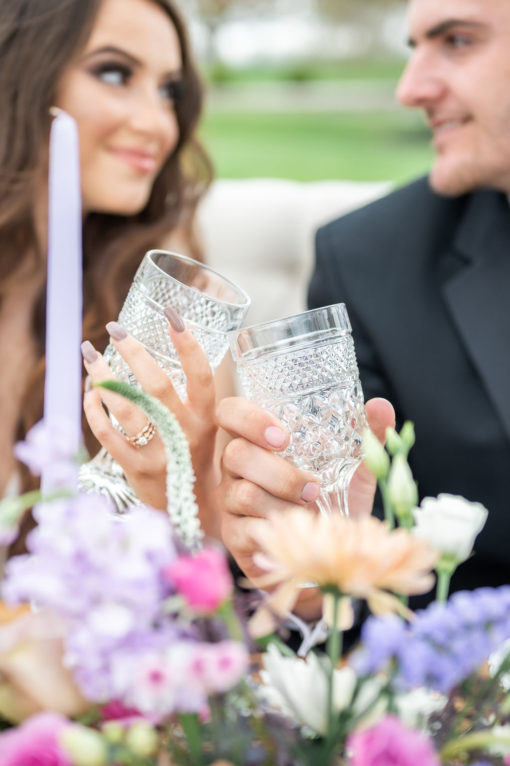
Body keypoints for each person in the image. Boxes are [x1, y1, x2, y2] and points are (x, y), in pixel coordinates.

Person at [217, 0, 510, 603]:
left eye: (457, 40)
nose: (410, 89)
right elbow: (344, 586)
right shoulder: (370, 260)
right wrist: (302, 571)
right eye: (414, 47)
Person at [1, 0, 224, 538]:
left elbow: (212, 575)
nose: (158, 125)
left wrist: (182, 486)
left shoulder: (168, 311)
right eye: (114, 72)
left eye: (170, 91)